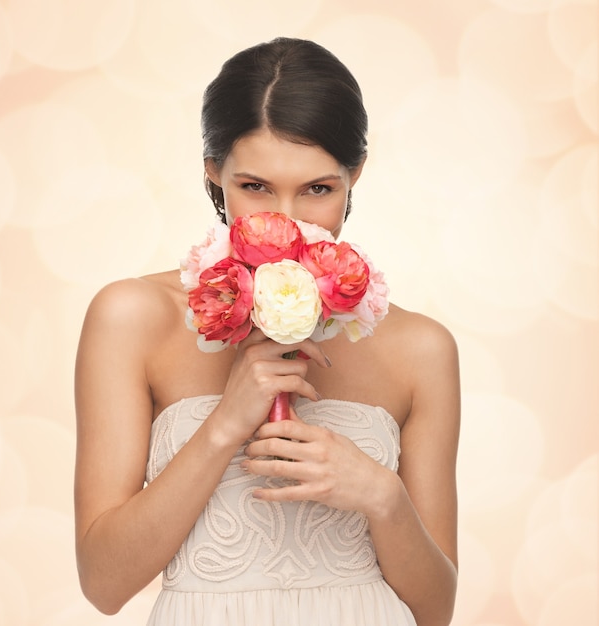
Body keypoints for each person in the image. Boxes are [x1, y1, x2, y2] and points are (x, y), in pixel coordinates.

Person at [74, 37, 460, 626]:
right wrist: (226, 423)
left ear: (354, 176)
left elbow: (436, 612)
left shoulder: (421, 349)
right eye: (255, 187)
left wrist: (383, 497)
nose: (287, 221)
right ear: (214, 174)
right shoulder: (132, 317)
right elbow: (103, 583)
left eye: (318, 189)